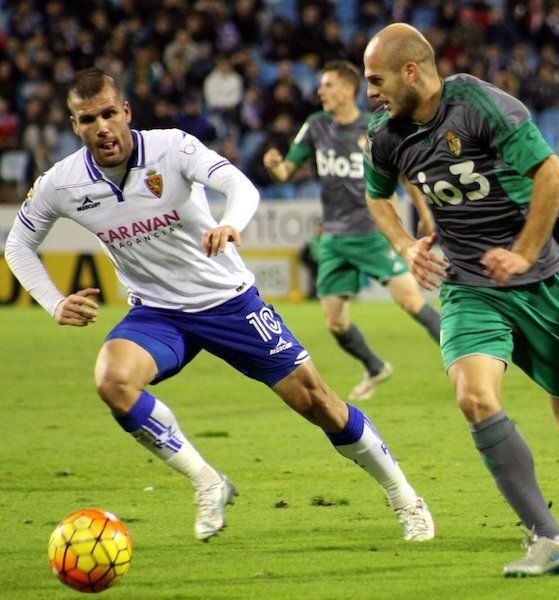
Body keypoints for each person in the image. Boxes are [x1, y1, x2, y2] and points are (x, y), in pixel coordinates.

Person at [3, 67, 434, 544]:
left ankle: (405, 497)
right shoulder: (60, 183)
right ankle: (207, 481)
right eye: (88, 119)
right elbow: (18, 245)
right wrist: (53, 301)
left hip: (228, 302)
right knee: (113, 381)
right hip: (158, 314)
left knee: (320, 404)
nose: (102, 127)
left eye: (109, 114)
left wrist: (230, 223)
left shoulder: (172, 148)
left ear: (126, 112)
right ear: (75, 126)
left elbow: (242, 187)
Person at [361, 23, 559, 577]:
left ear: (412, 71)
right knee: (474, 397)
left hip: (545, 283)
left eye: (377, 79)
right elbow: (376, 195)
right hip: (468, 285)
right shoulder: (385, 135)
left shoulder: (480, 105)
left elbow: (552, 175)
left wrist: (525, 253)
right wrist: (406, 244)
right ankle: (547, 538)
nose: (372, 93)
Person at [263, 60, 441, 401]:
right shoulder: (316, 126)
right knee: (335, 323)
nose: (320, 92)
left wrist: (425, 215)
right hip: (333, 238)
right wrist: (274, 166)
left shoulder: (375, 126)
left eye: (327, 85)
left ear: (347, 90)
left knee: (411, 301)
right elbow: (285, 173)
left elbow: (405, 174)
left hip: (373, 231)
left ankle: (464, 356)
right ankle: (375, 367)